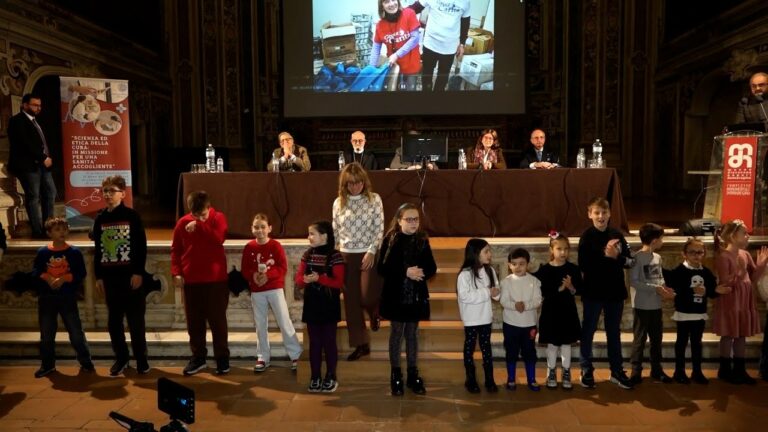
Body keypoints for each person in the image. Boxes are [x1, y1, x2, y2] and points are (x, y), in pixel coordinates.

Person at [92, 175, 149, 377]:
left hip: (130, 276)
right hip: (110, 278)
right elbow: (98, 250)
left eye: (112, 191)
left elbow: (141, 246)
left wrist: (138, 272)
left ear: (123, 194)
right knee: (114, 323)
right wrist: (99, 276)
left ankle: (142, 359)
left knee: (135, 322)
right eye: (105, 191)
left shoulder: (132, 216)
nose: (107, 194)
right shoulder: (100, 218)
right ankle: (122, 358)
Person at [377, 203, 437, 396]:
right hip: (395, 294)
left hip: (415, 295)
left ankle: (412, 374)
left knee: (412, 334)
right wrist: (405, 272)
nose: (413, 223)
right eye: (409, 219)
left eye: (416, 219)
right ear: (399, 220)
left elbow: (432, 267)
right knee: (396, 333)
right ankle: (395, 374)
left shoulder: (422, 240)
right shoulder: (391, 239)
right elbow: (382, 268)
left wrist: (421, 273)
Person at [578, 196, 635, 390]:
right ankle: (586, 368)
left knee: (613, 332)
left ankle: (616, 370)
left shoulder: (617, 234)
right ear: (589, 214)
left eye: (604, 212)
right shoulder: (586, 237)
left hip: (614, 292)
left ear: (610, 213)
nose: (601, 216)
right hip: (593, 292)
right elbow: (584, 265)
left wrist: (616, 257)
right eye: (597, 213)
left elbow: (631, 262)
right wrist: (605, 257)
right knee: (588, 330)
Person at [171, 191, 231, 376]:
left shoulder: (218, 218)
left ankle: (222, 359)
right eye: (195, 215)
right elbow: (176, 250)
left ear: (208, 207)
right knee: (194, 323)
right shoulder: (182, 223)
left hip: (215, 280)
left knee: (218, 322)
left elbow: (218, 239)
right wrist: (176, 272)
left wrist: (200, 225)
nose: (199, 218)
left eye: (203, 214)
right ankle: (198, 358)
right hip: (192, 281)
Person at [332, 163, 385, 361]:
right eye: (351, 184)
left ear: (364, 182)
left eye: (358, 182)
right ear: (344, 185)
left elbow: (379, 228)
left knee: (367, 296)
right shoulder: (338, 203)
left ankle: (375, 310)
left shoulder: (374, 199)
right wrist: (337, 254)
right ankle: (361, 344)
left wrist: (372, 251)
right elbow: (336, 230)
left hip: (368, 253)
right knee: (352, 303)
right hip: (346, 255)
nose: (355, 187)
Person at [32, 217, 94, 378]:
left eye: (64, 229)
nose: (62, 232)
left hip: (67, 297)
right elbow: (36, 271)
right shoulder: (43, 252)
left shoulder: (73, 252)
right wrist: (49, 278)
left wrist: (64, 279)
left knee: (75, 332)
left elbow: (81, 273)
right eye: (57, 230)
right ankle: (47, 365)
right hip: (47, 297)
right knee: (46, 334)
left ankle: (86, 362)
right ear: (49, 233)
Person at [241, 213, 302, 373]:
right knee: (260, 324)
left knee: (284, 321)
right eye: (256, 227)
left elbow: (282, 268)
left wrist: (268, 275)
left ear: (269, 228)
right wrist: (253, 276)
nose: (259, 230)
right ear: (252, 229)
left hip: (274, 288)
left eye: (262, 227)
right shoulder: (249, 247)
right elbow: (245, 269)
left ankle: (295, 355)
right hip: (257, 291)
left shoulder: (275, 246)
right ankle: (263, 357)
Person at [713, 219, 768, 384]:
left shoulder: (744, 255)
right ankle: (724, 369)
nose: (748, 236)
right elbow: (726, 283)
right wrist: (738, 271)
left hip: (744, 300)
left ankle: (739, 369)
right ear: (732, 236)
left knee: (741, 334)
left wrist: (760, 266)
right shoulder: (724, 256)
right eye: (744, 233)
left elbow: (752, 279)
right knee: (729, 334)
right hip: (731, 300)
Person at [664, 238, 725, 384]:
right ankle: (679, 371)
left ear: (704, 254)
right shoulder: (679, 271)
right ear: (684, 254)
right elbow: (675, 288)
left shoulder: (705, 271)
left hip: (699, 313)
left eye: (700, 252)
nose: (697, 256)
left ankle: (697, 371)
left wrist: (716, 290)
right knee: (681, 343)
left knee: (697, 343)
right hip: (684, 313)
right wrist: (692, 290)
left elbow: (710, 291)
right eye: (692, 252)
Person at [295, 221, 345, 393]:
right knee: (315, 343)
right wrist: (305, 280)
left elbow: (338, 282)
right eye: (309, 234)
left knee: (329, 341)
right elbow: (298, 280)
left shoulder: (335, 256)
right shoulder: (308, 254)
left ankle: (331, 375)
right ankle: (315, 376)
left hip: (329, 304)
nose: (309, 237)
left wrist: (319, 279)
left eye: (312, 234)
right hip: (312, 303)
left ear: (324, 236)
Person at [533, 232, 582, 390]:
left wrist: (571, 287)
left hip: (567, 312)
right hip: (551, 313)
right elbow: (542, 291)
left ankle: (566, 371)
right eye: (559, 249)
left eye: (566, 249)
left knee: (567, 343)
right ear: (551, 250)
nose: (563, 252)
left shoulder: (573, 269)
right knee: (553, 344)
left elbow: (579, 290)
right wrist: (559, 289)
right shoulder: (545, 270)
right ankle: (551, 371)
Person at [628, 223, 675, 385]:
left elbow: (658, 278)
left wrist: (665, 289)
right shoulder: (637, 258)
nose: (662, 241)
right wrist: (656, 289)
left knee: (656, 339)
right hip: (641, 306)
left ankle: (656, 369)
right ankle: (636, 370)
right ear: (655, 241)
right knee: (639, 339)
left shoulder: (657, 258)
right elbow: (634, 282)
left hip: (656, 306)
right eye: (661, 238)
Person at [7, 93, 56, 238]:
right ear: (25, 105)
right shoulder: (17, 121)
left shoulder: (36, 122)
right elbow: (24, 143)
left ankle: (48, 228)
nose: (38, 108)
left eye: (39, 105)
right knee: (33, 197)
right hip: (27, 166)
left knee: (50, 193)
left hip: (42, 165)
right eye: (35, 105)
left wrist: (47, 158)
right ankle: (37, 231)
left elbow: (42, 143)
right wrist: (42, 157)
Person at [456, 238, 500, 393]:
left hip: (485, 318)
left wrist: (496, 293)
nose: (490, 254)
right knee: (469, 349)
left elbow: (496, 293)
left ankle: (489, 379)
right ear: (475, 253)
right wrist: (487, 292)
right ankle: (471, 379)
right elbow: (465, 296)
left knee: (486, 349)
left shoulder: (490, 271)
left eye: (490, 251)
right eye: (486, 251)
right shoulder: (465, 275)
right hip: (471, 319)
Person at [499, 248, 542, 392]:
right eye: (514, 264)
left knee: (529, 352)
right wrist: (514, 305)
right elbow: (503, 301)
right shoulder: (506, 282)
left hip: (529, 325)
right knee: (511, 351)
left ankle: (532, 379)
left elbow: (537, 300)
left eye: (521, 264)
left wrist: (526, 305)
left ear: (527, 264)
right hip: (511, 324)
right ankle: (511, 378)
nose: (518, 267)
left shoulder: (534, 281)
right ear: (509, 265)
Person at [409, 0, 470, 92]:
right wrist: (395, 13)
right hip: (430, 43)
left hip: (450, 46)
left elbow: (465, 24)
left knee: (443, 75)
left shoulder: (465, 2)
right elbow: (414, 8)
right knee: (427, 73)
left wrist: (462, 44)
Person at [370, 0, 422, 91]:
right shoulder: (380, 25)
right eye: (386, 2)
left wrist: (397, 55)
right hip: (393, 66)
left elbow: (415, 38)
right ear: (382, 6)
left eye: (393, 0)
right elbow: (375, 50)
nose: (391, 4)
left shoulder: (409, 13)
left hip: (411, 64)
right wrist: (371, 70)